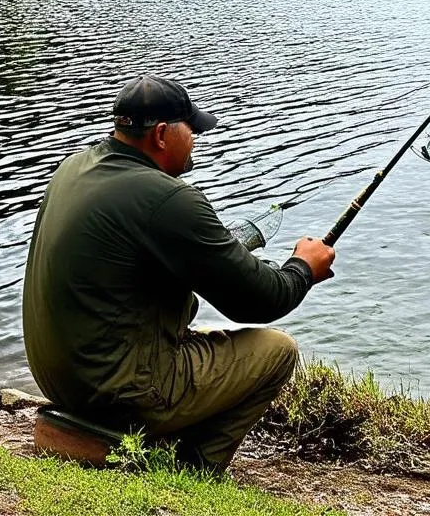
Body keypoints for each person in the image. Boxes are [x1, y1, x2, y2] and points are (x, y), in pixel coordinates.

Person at [22, 75, 336, 473]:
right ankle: (191, 467)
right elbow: (263, 300)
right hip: (119, 392)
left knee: (196, 334)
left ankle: (116, 432)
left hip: (58, 379)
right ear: (161, 135)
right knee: (276, 349)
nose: (196, 140)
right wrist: (303, 267)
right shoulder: (169, 198)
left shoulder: (74, 167)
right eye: (192, 130)